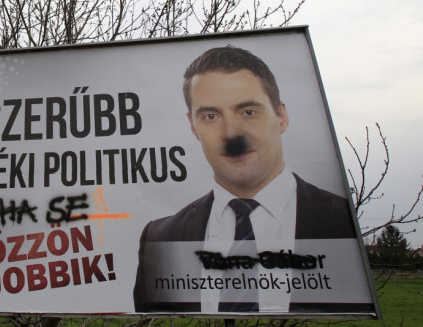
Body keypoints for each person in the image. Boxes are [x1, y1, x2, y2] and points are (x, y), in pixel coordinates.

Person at [133, 45, 357, 313]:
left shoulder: (343, 222)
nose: (231, 133)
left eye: (248, 111)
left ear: (281, 116)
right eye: (211, 116)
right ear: (193, 127)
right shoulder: (160, 239)